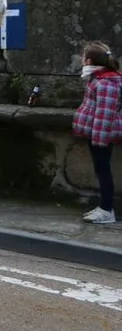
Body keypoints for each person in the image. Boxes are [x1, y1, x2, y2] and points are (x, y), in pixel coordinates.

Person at [72, 41, 121, 225]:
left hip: (100, 136)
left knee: (103, 171)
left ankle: (107, 210)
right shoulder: (99, 78)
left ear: (89, 60)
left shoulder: (106, 83)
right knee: (101, 171)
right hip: (96, 134)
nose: (82, 61)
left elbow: (104, 115)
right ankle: (104, 207)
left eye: (84, 58)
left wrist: (99, 140)